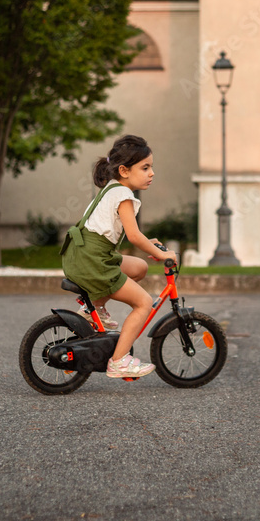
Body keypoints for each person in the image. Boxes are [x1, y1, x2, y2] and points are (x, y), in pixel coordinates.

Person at [59, 135, 178, 379]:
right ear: (124, 170)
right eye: (145, 168)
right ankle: (119, 361)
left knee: (139, 268)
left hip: (82, 256)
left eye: (151, 167)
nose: (151, 173)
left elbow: (129, 235)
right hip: (94, 262)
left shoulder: (111, 189)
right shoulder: (123, 195)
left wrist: (151, 245)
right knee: (143, 303)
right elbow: (133, 236)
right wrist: (162, 253)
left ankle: (94, 308)